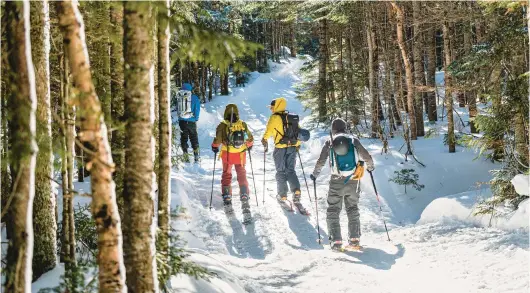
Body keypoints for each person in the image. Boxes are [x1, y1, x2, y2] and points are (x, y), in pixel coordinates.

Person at [309, 118, 374, 251]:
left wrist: (315, 174)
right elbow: (366, 156)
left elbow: (321, 160)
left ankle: (336, 241)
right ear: (345, 127)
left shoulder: (330, 142)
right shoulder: (353, 140)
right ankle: (354, 239)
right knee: (353, 208)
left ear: (333, 129)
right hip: (353, 180)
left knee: (333, 210)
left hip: (336, 180)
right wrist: (370, 167)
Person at [261, 98, 306, 213]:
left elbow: (269, 131)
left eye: (272, 107)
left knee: (281, 171)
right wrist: (298, 144)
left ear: (276, 106)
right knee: (290, 170)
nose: (271, 109)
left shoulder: (275, 117)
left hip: (280, 149)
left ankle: (282, 196)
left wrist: (264, 139)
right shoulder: (291, 117)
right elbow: (298, 132)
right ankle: (296, 192)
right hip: (292, 147)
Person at [211, 104, 254, 222]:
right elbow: (250, 139)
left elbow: (218, 140)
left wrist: (214, 146)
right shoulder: (242, 124)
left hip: (228, 154)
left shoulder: (222, 125)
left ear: (225, 113)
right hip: (240, 155)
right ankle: (244, 196)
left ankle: (227, 197)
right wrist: (249, 146)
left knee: (227, 175)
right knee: (241, 175)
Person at [177, 83, 201, 163]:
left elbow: (178, 109)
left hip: (182, 122)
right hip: (191, 121)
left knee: (184, 139)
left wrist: (180, 118)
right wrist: (196, 118)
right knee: (194, 139)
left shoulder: (179, 97)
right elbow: (197, 110)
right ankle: (196, 156)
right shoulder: (194, 98)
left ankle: (185, 156)